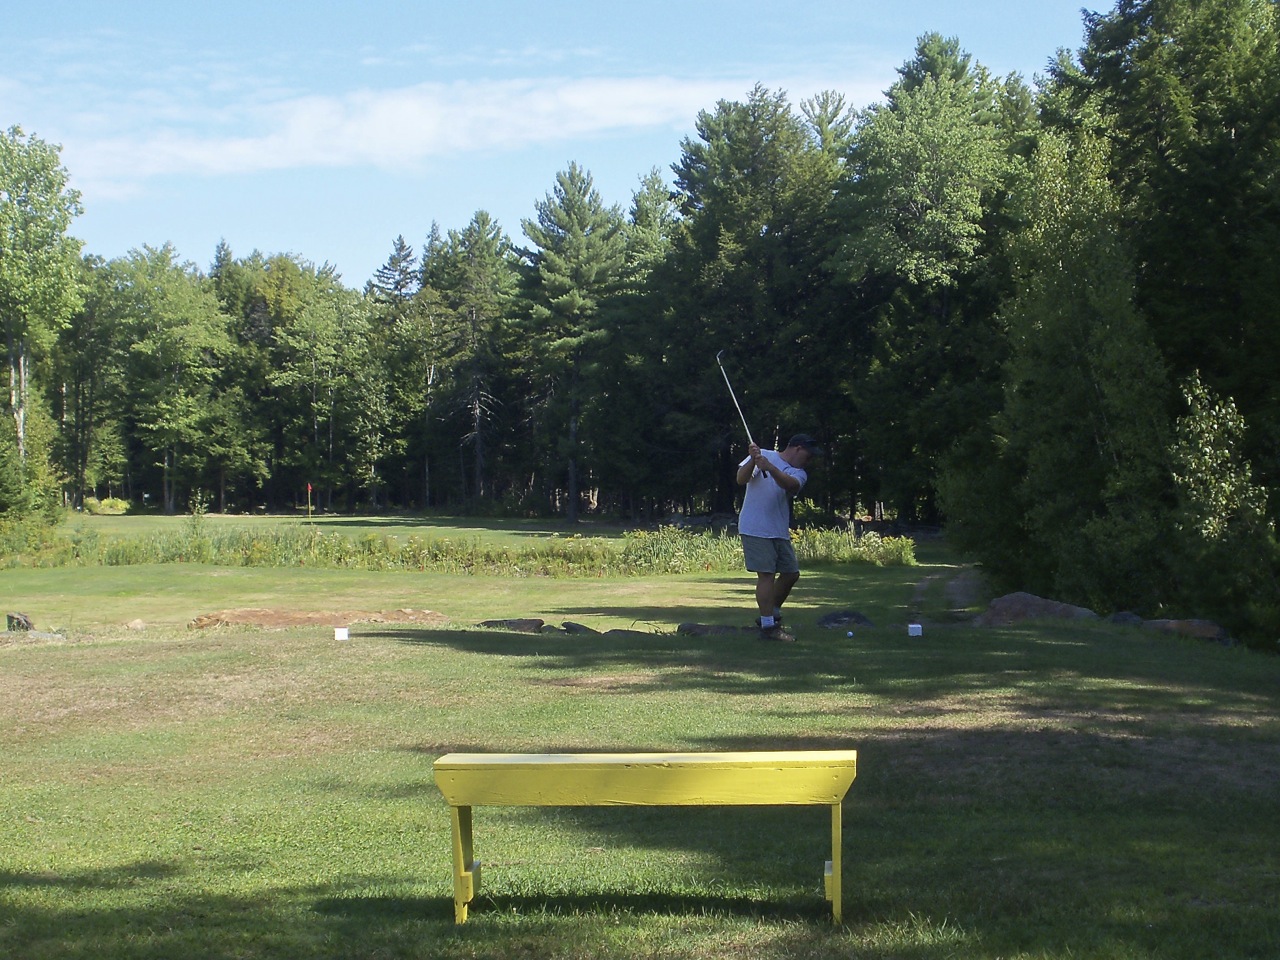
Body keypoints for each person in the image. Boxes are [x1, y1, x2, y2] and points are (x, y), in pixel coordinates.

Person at [735, 433, 822, 642]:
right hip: (755, 527)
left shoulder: (798, 472)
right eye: (808, 456)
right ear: (798, 448)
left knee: (791, 573)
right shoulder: (762, 454)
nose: (809, 461)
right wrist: (753, 460)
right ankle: (768, 627)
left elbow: (790, 486)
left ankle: (770, 613)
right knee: (766, 575)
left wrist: (770, 468)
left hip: (778, 529)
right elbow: (741, 478)